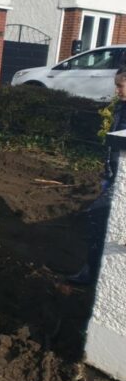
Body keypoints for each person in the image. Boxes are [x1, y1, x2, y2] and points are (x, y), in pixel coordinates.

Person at [68, 68, 126, 284]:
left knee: (96, 218)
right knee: (99, 222)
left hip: (120, 180)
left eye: (120, 85)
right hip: (111, 175)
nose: (117, 89)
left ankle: (96, 274)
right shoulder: (121, 106)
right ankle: (92, 270)